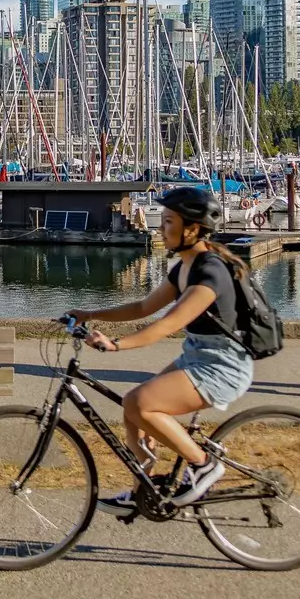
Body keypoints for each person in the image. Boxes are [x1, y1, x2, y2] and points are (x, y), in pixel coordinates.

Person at [64, 187, 254, 513]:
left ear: (192, 228)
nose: (160, 229)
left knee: (141, 402)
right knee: (133, 409)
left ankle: (204, 464)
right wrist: (90, 313)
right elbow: (143, 306)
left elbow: (169, 324)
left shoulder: (210, 272)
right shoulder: (184, 268)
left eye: (168, 222)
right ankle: (142, 490)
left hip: (223, 366)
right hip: (198, 356)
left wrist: (116, 344)